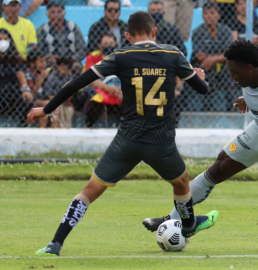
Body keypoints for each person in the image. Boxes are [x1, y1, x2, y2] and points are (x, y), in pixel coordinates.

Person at [28, 11, 217, 256]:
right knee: (181, 183)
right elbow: (202, 89)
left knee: (88, 191)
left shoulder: (120, 56)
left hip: (127, 140)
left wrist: (46, 109)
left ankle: (55, 243)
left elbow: (76, 83)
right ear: (154, 32)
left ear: (127, 36)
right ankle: (189, 224)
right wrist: (200, 77)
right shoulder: (172, 54)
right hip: (161, 143)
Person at [142, 39, 258, 255]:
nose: (232, 76)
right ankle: (172, 219)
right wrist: (247, 100)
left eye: (235, 71)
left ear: (250, 68)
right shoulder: (249, 77)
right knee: (217, 169)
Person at [189, 2, 234, 111]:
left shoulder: (226, 31)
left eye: (213, 13)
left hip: (221, 63)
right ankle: (207, 106)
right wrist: (218, 56)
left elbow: (228, 53)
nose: (210, 16)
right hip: (203, 64)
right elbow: (200, 55)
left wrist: (212, 58)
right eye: (207, 14)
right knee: (206, 68)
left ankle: (231, 106)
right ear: (203, 16)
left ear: (218, 15)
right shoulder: (197, 31)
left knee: (230, 68)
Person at [83, 33, 122, 127]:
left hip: (117, 89)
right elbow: (90, 79)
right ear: (99, 45)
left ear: (116, 45)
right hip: (97, 87)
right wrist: (109, 88)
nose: (107, 46)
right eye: (104, 44)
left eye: (110, 43)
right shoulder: (92, 56)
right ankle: (89, 126)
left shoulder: (121, 57)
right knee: (96, 98)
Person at [0, 28, 33, 127]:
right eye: (0, 39)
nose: (3, 42)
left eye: (5, 39)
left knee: (26, 100)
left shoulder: (15, 59)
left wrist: (25, 90)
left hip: (12, 93)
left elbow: (21, 76)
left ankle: (23, 129)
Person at [42, 57, 75, 128]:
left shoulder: (69, 76)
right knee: (59, 108)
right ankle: (59, 128)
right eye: (64, 69)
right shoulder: (52, 77)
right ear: (57, 67)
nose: (66, 72)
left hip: (64, 100)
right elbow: (47, 95)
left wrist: (68, 100)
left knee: (69, 110)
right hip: (55, 99)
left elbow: (71, 91)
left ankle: (67, 128)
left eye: (68, 70)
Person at [25, 49, 50, 127]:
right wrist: (42, 77)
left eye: (44, 61)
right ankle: (41, 130)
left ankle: (55, 129)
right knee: (46, 105)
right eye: (41, 62)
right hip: (32, 100)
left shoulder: (43, 72)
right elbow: (33, 92)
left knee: (56, 104)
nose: (44, 64)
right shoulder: (28, 73)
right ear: (32, 63)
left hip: (42, 98)